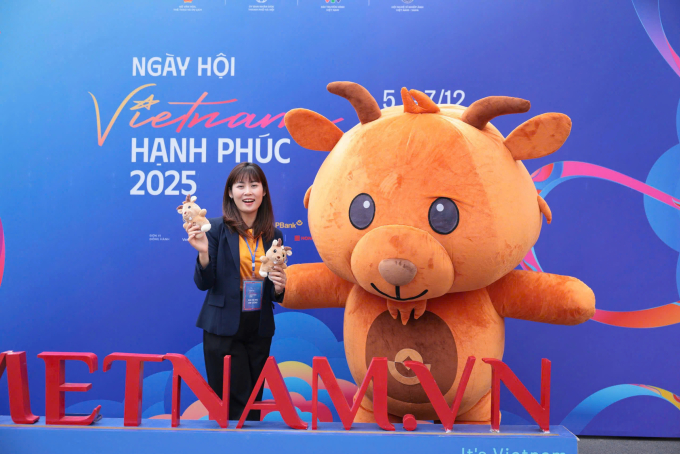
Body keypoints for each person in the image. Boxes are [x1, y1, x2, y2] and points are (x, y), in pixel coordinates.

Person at [186, 162, 287, 422]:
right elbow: (204, 283)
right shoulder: (215, 229)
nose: (248, 192)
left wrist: (279, 288)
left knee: (253, 408)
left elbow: (273, 291)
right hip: (223, 327)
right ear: (230, 193)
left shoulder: (274, 234)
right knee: (229, 409)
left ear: (264, 191)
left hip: (259, 328)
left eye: (254, 185)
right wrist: (203, 253)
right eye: (240, 186)